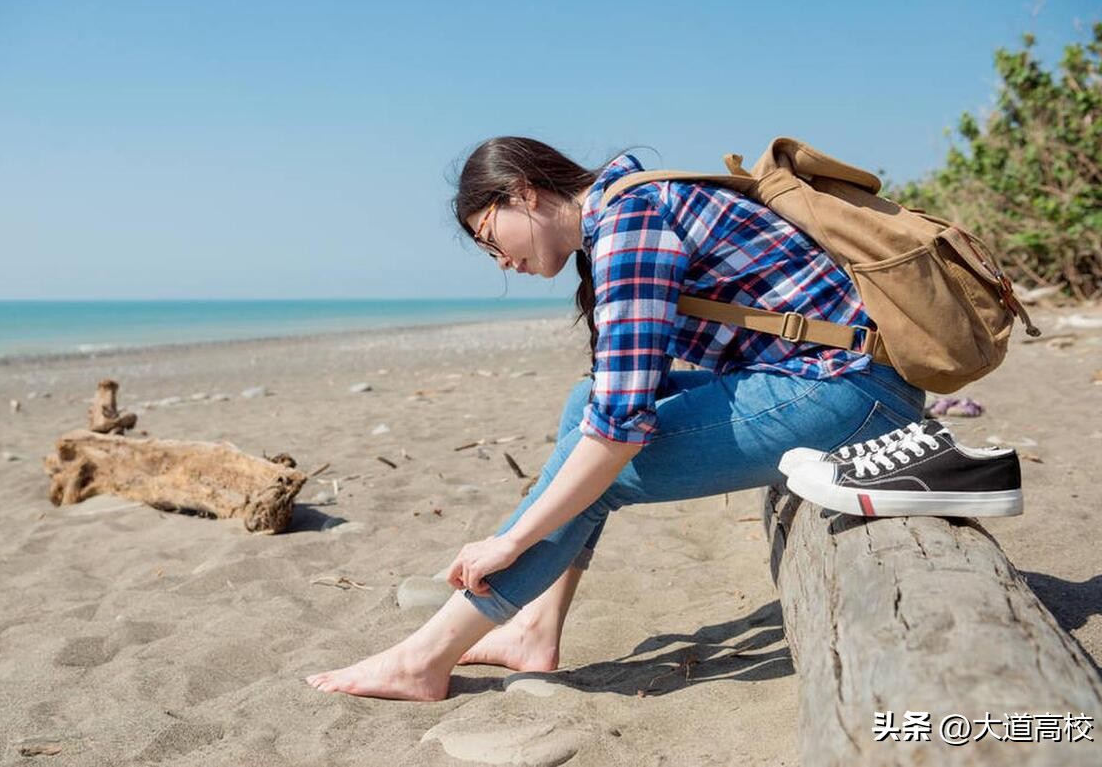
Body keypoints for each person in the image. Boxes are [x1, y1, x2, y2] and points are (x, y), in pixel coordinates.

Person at [305, 136, 926, 700]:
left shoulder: (631, 223)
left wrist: (510, 541)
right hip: (838, 380)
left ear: (524, 192)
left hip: (852, 393)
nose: (499, 260)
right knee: (583, 409)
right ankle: (534, 631)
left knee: (600, 478)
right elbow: (608, 405)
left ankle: (423, 658)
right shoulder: (630, 206)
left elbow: (619, 434)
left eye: (491, 237)